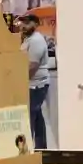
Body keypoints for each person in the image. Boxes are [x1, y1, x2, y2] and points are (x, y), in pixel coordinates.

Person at [20, 13, 50, 150]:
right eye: (23, 23)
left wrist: (20, 82)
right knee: (36, 116)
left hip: (36, 85)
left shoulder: (36, 40)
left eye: (27, 23)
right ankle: (40, 147)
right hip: (33, 84)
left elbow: (32, 65)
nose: (23, 26)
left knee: (30, 115)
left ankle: (30, 148)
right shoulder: (28, 39)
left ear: (36, 24)